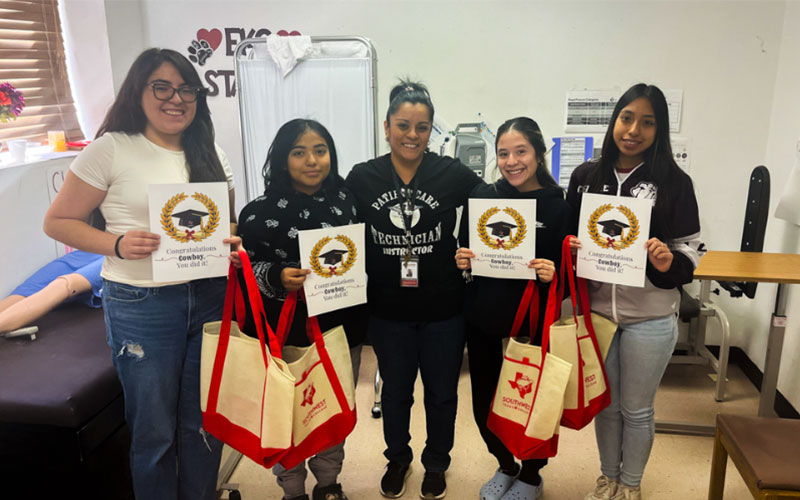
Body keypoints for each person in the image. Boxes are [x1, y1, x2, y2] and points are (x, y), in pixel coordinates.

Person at [43, 48, 239, 500]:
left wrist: (229, 243)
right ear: (139, 91)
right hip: (142, 303)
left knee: (203, 423)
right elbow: (58, 222)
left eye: (186, 89)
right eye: (162, 87)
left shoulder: (210, 150)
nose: (176, 99)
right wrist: (116, 243)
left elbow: (226, 222)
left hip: (209, 295)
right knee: (155, 432)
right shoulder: (111, 148)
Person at [345, 80, 483, 500]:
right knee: (396, 393)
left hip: (444, 308)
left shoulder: (450, 173)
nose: (412, 135)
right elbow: (336, 223)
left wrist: (472, 249)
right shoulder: (363, 177)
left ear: (430, 131)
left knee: (442, 394)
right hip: (388, 310)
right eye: (403, 125)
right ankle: (398, 459)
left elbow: (492, 204)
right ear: (387, 127)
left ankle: (437, 463)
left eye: (422, 127)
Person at [566, 84, 704, 500]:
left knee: (637, 409)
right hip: (599, 314)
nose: (633, 130)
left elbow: (691, 250)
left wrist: (667, 261)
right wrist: (570, 248)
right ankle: (608, 477)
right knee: (606, 406)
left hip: (651, 315)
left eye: (647, 122)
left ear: (659, 130)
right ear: (614, 121)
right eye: (627, 118)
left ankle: (630, 484)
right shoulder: (586, 177)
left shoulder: (675, 182)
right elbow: (567, 235)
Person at [237, 119, 368, 500]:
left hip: (340, 328)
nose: (312, 161)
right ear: (282, 159)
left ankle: (329, 484)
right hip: (285, 333)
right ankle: (291, 489)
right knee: (285, 414)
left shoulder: (347, 200)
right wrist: (276, 275)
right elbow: (245, 271)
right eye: (299, 153)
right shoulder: (257, 213)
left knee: (332, 410)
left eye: (320, 151)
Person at [455, 117, 572, 500]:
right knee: (486, 401)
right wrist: (462, 259)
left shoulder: (558, 206)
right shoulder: (482, 195)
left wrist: (553, 273)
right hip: (484, 316)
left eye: (521, 151)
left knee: (532, 400)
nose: (511, 161)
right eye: (503, 153)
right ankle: (505, 464)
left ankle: (532, 475)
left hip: (533, 321)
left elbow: (569, 273)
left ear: (538, 153)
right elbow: (465, 249)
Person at [0, 250, 103, 334]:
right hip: (93, 249)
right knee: (27, 290)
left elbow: (63, 287)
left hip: (111, 255)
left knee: (64, 285)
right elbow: (25, 292)